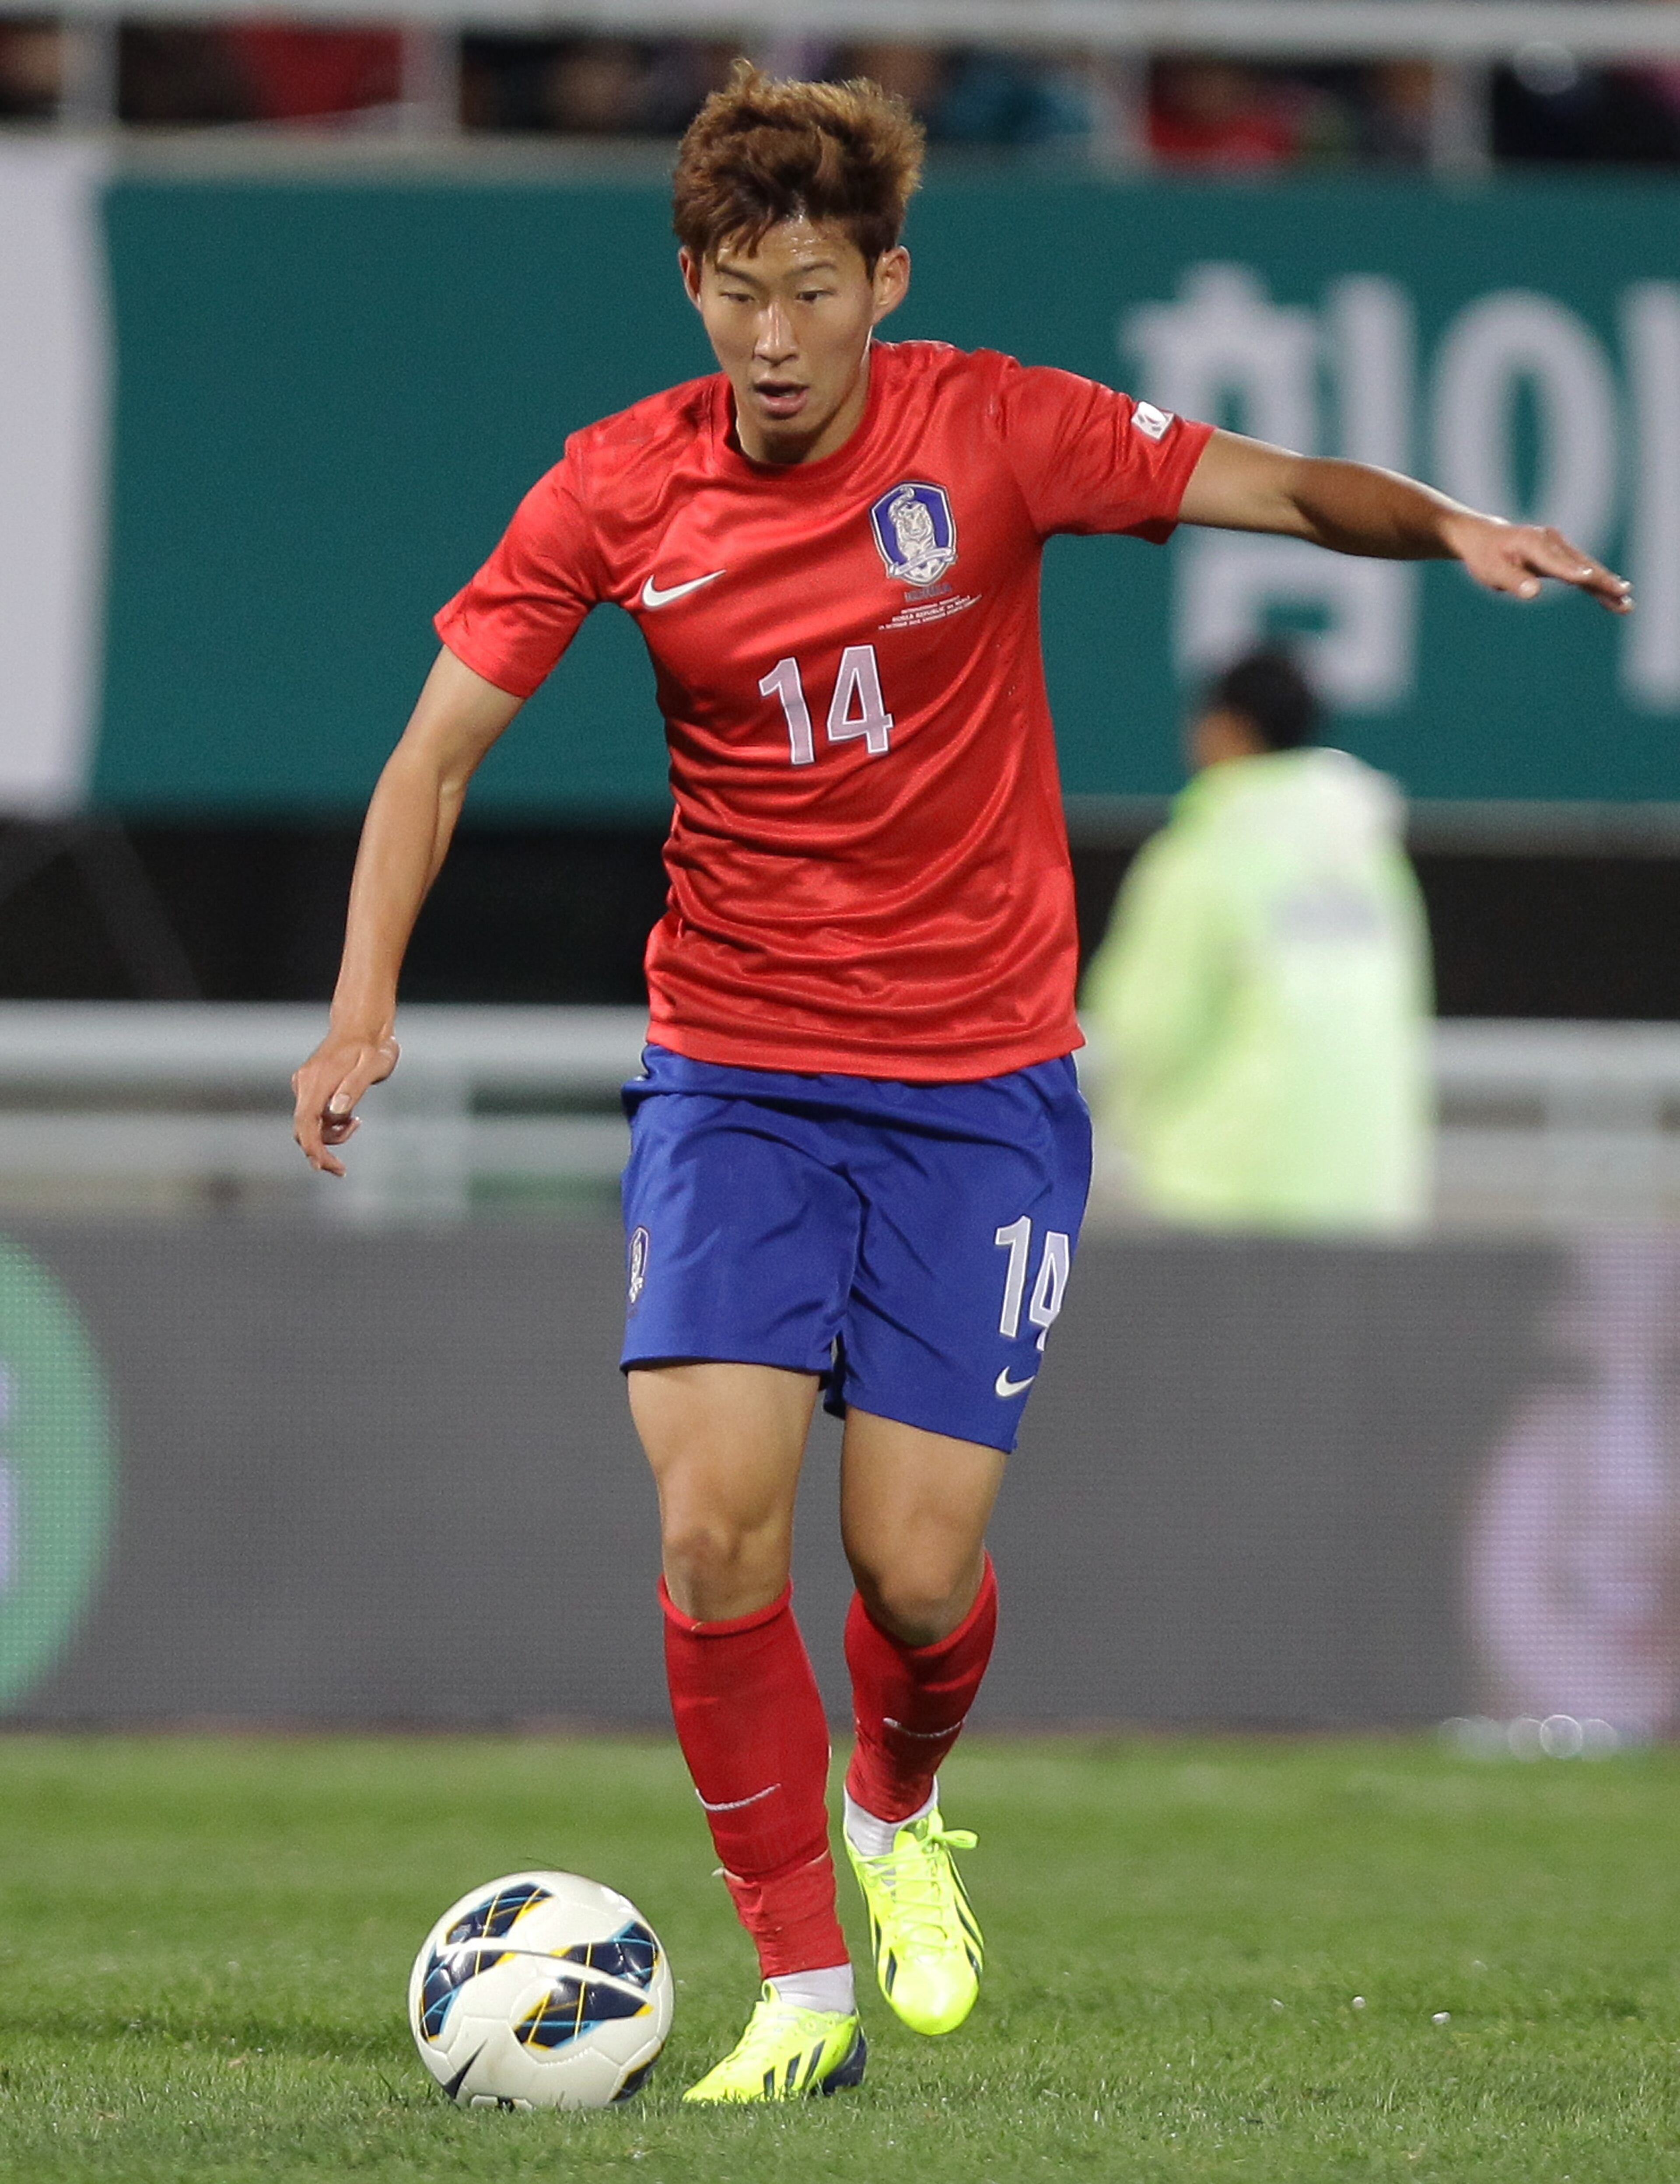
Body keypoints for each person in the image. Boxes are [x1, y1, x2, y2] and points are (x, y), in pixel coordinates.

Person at [290, 62, 1631, 2103]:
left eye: (811, 288)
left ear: (882, 280)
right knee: (714, 1524)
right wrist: (360, 999)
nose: (769, 334)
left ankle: (900, 1803)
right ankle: (800, 1985)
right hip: (734, 1069)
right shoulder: (615, 489)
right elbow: (432, 755)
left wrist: (1445, 526)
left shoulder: (992, 430)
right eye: (735, 287)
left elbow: (1269, 485)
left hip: (976, 1085)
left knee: (911, 1572)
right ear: (692, 285)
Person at [1081, 645, 1433, 1234]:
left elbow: (1146, 1023)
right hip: (1370, 1195)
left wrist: (1126, 1139)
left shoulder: (1206, 851)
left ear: (1227, 730)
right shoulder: (1371, 850)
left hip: (1222, 1198)